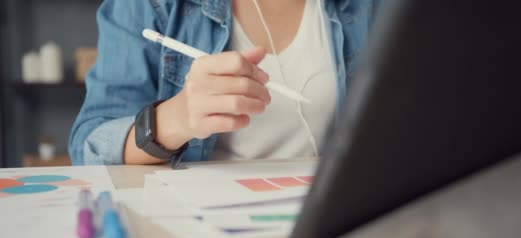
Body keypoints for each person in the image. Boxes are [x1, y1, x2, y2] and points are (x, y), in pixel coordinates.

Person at [69, 0, 379, 165]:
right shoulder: (152, 5)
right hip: (199, 229)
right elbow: (89, 145)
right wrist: (176, 119)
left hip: (328, 223)